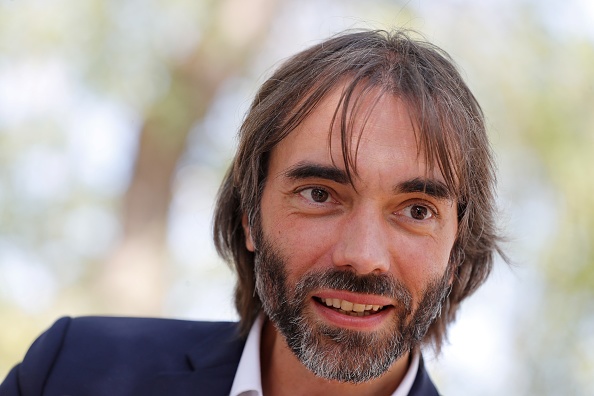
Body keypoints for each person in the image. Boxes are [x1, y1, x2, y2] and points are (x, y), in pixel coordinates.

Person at [0, 29, 504, 396]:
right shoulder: (70, 372)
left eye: (416, 209)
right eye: (320, 194)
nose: (362, 256)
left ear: (458, 245)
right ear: (248, 216)